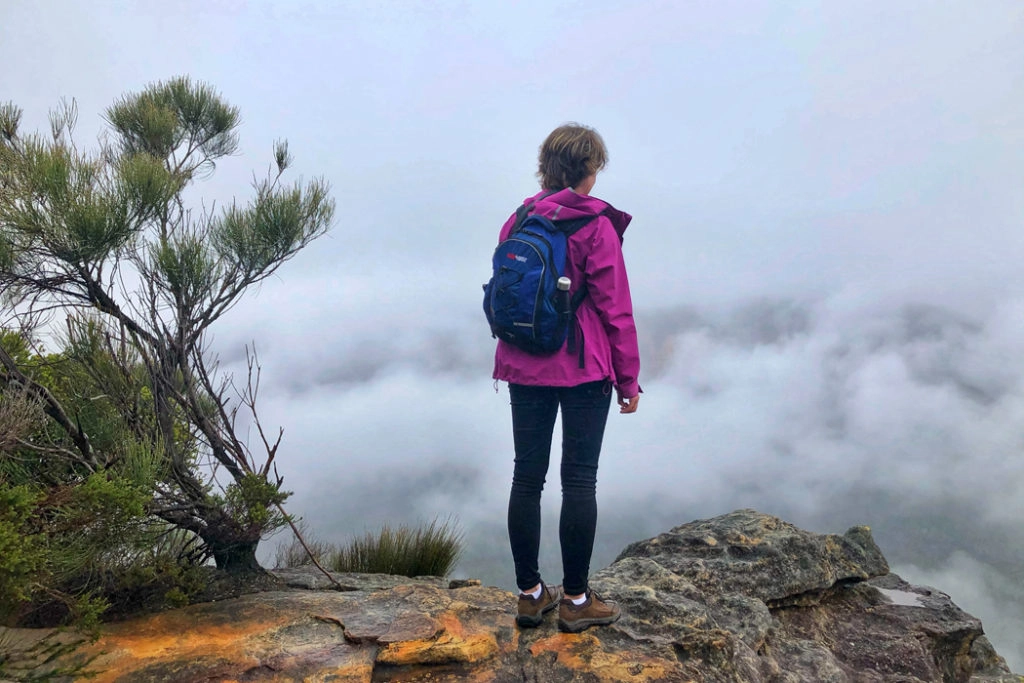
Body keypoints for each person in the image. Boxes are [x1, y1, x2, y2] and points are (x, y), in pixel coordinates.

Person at [492, 123, 641, 633]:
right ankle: (576, 600)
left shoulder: (518, 219)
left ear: (546, 167)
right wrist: (628, 380)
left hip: (522, 363)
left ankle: (530, 595)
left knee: (525, 477)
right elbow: (616, 309)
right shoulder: (595, 226)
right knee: (579, 479)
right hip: (582, 368)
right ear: (588, 171)